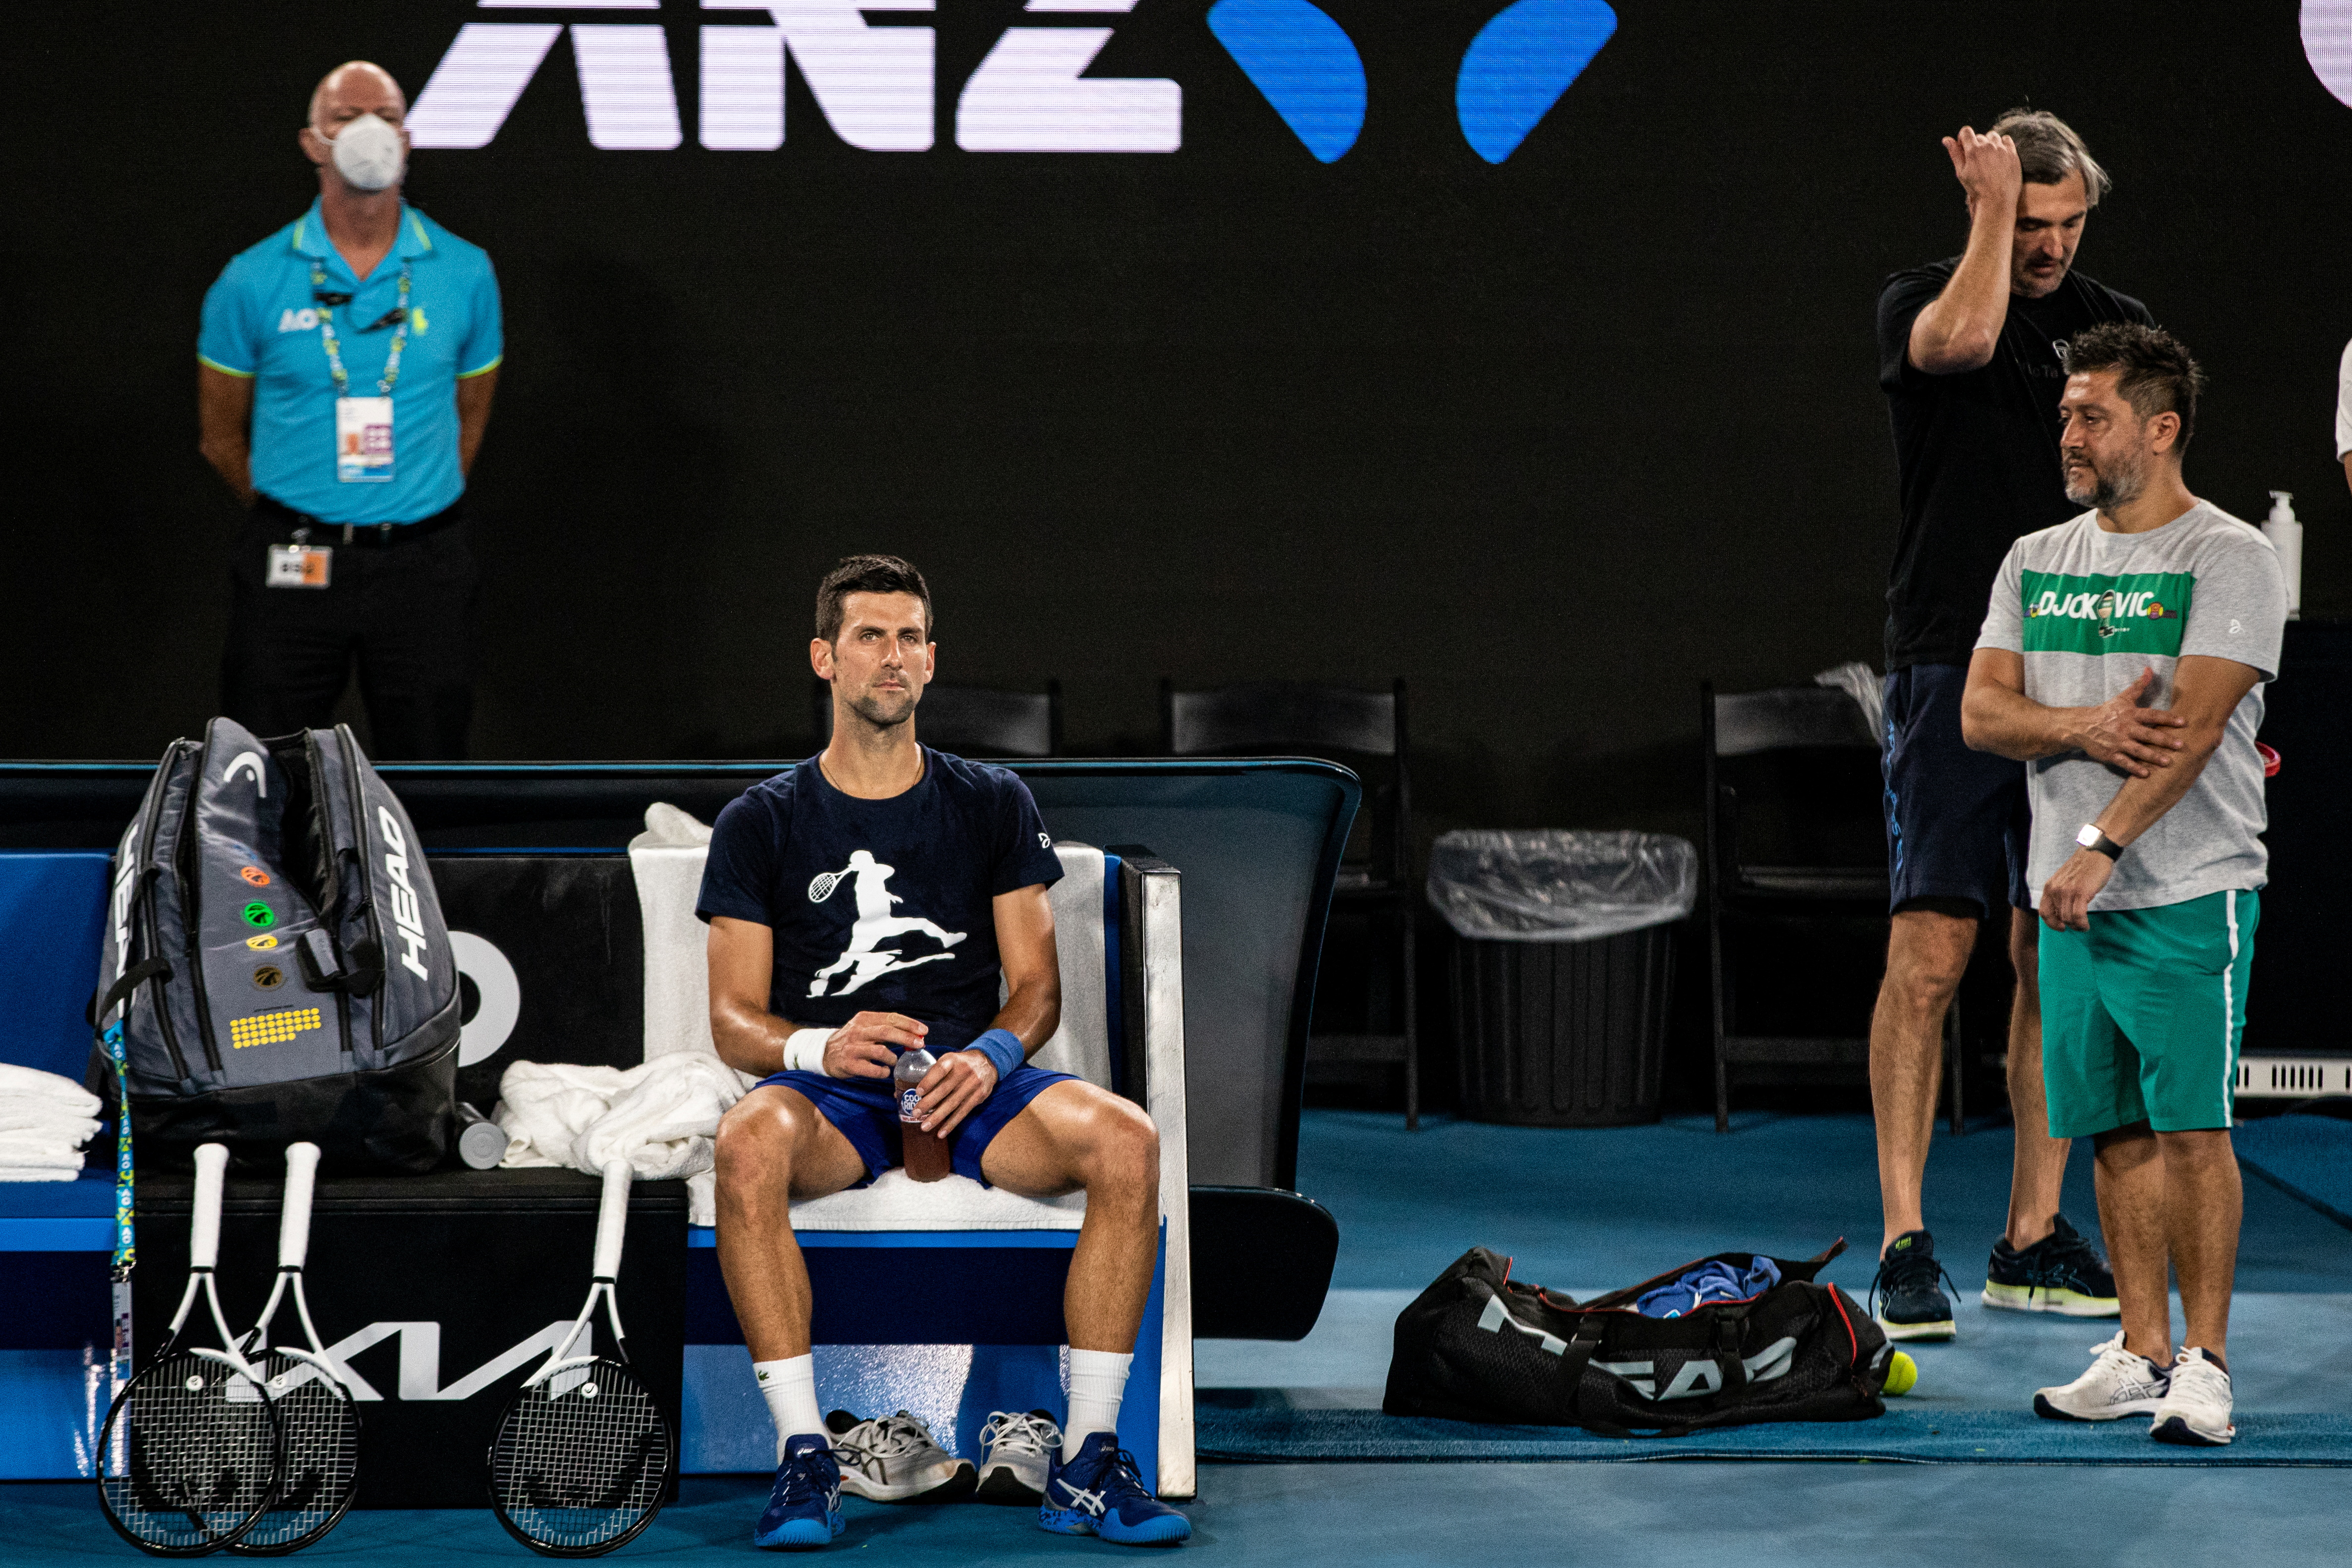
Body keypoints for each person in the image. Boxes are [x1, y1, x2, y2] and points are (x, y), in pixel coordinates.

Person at [699, 555, 1190, 1549]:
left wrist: (992, 1056)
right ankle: (805, 1455)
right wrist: (822, 1045)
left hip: (971, 1083)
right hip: (835, 1093)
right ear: (824, 657)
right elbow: (733, 1019)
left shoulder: (992, 798)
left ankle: (1089, 1460)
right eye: (870, 636)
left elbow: (1037, 988)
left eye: (911, 637)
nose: (893, 655)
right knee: (747, 1141)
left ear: (931, 659)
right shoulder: (762, 819)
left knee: (1128, 1140)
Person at [1963, 322, 2285, 1446]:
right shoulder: (2033, 557)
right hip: (2070, 900)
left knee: (2192, 1128)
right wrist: (2083, 729)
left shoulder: (2230, 556)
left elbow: (2188, 729)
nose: (2069, 433)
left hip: (2185, 888)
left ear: (2160, 428)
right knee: (2113, 1130)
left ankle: (2207, 1363)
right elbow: (1980, 713)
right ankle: (2141, 1349)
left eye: (2092, 415)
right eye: (2066, 413)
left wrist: (2100, 841)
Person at [1869, 110, 2152, 1339]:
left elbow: (2146, 486)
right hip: (1952, 662)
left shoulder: (2116, 328)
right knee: (1933, 952)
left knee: (2052, 948)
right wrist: (1986, 212)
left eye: (2066, 223)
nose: (2049, 245)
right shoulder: (1922, 300)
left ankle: (2032, 1236)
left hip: (2081, 669)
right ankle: (1903, 1241)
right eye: (2029, 221)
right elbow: (1967, 341)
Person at [197, 61, 502, 759]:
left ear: (408, 139)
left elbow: (470, 416)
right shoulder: (251, 277)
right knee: (261, 769)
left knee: (430, 769)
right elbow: (219, 436)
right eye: (346, 117)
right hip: (293, 560)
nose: (370, 130)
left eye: (387, 117)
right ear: (313, 142)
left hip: (424, 564)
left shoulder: (465, 271)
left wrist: (408, 501)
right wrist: (299, 508)